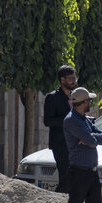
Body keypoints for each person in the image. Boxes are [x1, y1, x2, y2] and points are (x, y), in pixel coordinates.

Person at [52, 86, 102, 203]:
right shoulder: (71, 120)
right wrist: (89, 139)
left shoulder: (84, 119)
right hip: (79, 172)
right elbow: (91, 139)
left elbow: (96, 136)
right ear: (83, 103)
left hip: (91, 171)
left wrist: (89, 138)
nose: (90, 103)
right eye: (89, 100)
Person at [43, 65, 78, 193]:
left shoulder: (75, 96)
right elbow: (48, 121)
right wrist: (69, 119)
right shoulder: (53, 97)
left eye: (74, 78)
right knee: (65, 176)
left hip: (75, 143)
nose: (73, 81)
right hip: (60, 143)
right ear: (62, 80)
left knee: (73, 176)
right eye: (70, 78)